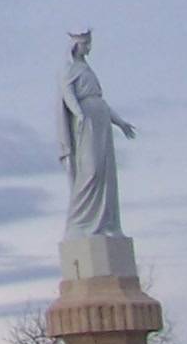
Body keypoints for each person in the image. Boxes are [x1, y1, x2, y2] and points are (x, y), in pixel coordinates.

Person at [58, 28, 136, 237]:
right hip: (86, 123)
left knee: (105, 173)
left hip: (100, 121)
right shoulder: (70, 70)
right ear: (76, 46)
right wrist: (79, 114)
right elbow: (68, 94)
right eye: (85, 44)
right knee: (90, 170)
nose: (89, 48)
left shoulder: (88, 70)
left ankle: (106, 224)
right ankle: (81, 223)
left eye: (89, 43)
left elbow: (101, 102)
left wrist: (120, 122)